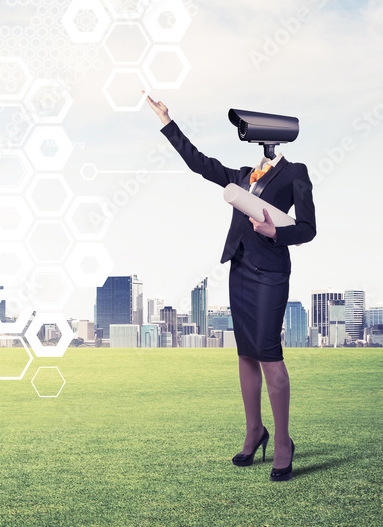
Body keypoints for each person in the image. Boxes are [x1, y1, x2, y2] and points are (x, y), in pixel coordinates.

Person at [146, 95, 316, 482]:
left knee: (270, 354)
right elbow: (199, 163)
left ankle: (284, 442)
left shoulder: (296, 173)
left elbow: (308, 228)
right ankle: (255, 430)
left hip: (270, 274)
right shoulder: (243, 175)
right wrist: (168, 122)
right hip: (239, 270)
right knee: (245, 355)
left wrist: (278, 232)